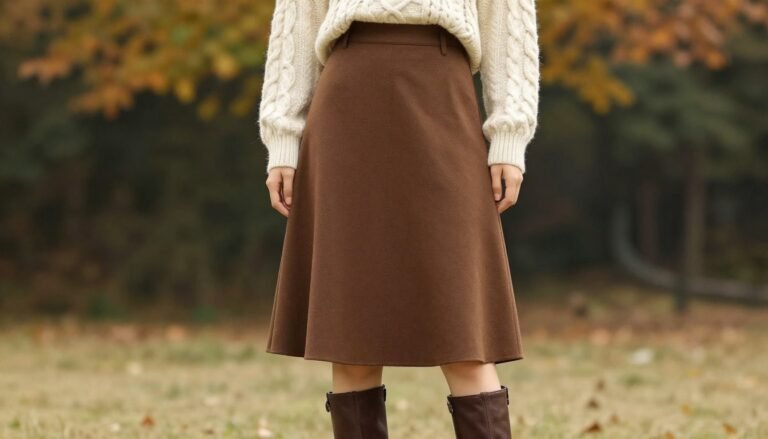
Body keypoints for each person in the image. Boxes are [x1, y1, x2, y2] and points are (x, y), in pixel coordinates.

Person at [258, 0, 539, 437]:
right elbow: (297, 16)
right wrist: (282, 137)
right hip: (347, 98)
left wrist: (510, 134)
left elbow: (508, 15)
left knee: (467, 335)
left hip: (443, 94)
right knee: (352, 339)